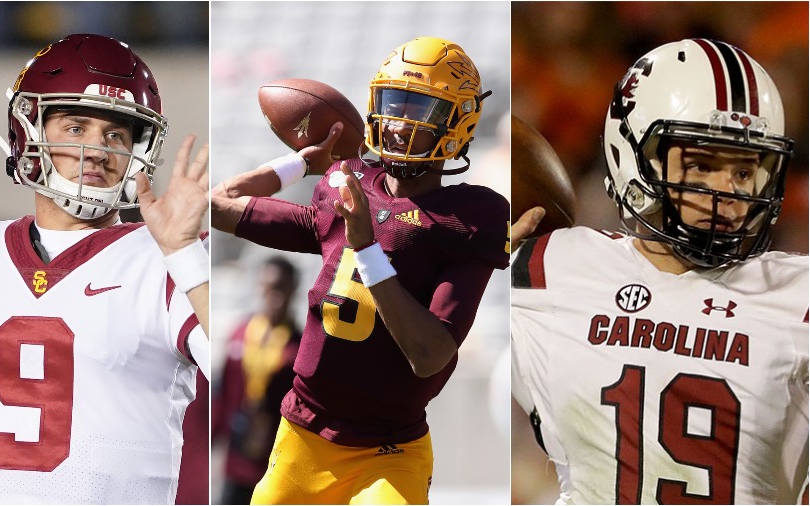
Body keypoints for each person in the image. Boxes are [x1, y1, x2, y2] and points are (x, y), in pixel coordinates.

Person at [0, 33, 210, 504]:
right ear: (28, 131)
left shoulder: (171, 258)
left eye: (117, 134)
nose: (99, 150)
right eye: (76, 127)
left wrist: (186, 253)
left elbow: (237, 375)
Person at [211, 36, 510, 504]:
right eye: (394, 102)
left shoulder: (472, 216)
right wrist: (298, 165)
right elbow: (218, 204)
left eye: (420, 108)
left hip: (389, 450)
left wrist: (367, 248)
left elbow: (430, 355)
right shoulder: (346, 185)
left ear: (457, 121)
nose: (399, 122)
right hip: (302, 436)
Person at [510, 38, 808, 504]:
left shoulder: (796, 295)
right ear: (634, 157)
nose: (727, 191)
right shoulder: (550, 267)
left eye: (745, 171)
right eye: (702, 164)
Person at [212, 256, 302, 504]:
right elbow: (222, 392)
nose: (275, 294)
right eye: (268, 286)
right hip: (235, 457)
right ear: (259, 286)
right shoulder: (240, 333)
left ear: (293, 288)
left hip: (274, 464)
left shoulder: (299, 346)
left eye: (282, 287)